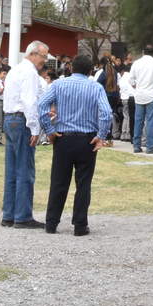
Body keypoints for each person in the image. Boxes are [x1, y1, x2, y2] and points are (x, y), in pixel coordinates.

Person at [36, 53, 113, 235]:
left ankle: (51, 223)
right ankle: (80, 225)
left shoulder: (58, 84)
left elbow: (41, 105)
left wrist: (49, 130)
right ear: (90, 70)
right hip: (87, 139)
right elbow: (106, 113)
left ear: (71, 67)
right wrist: (101, 136)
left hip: (63, 138)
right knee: (83, 183)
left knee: (58, 182)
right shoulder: (95, 87)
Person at [2, 40, 50, 228]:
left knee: (12, 169)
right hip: (22, 121)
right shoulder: (30, 73)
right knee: (25, 169)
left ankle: (9, 214)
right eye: (43, 56)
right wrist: (35, 128)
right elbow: (29, 102)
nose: (44, 61)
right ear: (33, 54)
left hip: (10, 118)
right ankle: (22, 216)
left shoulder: (15, 70)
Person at [128, 44, 153, 154]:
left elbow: (131, 80)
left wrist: (137, 87)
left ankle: (136, 146)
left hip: (139, 95)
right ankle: (150, 147)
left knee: (138, 121)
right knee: (151, 121)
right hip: (152, 94)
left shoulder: (136, 63)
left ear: (143, 52)